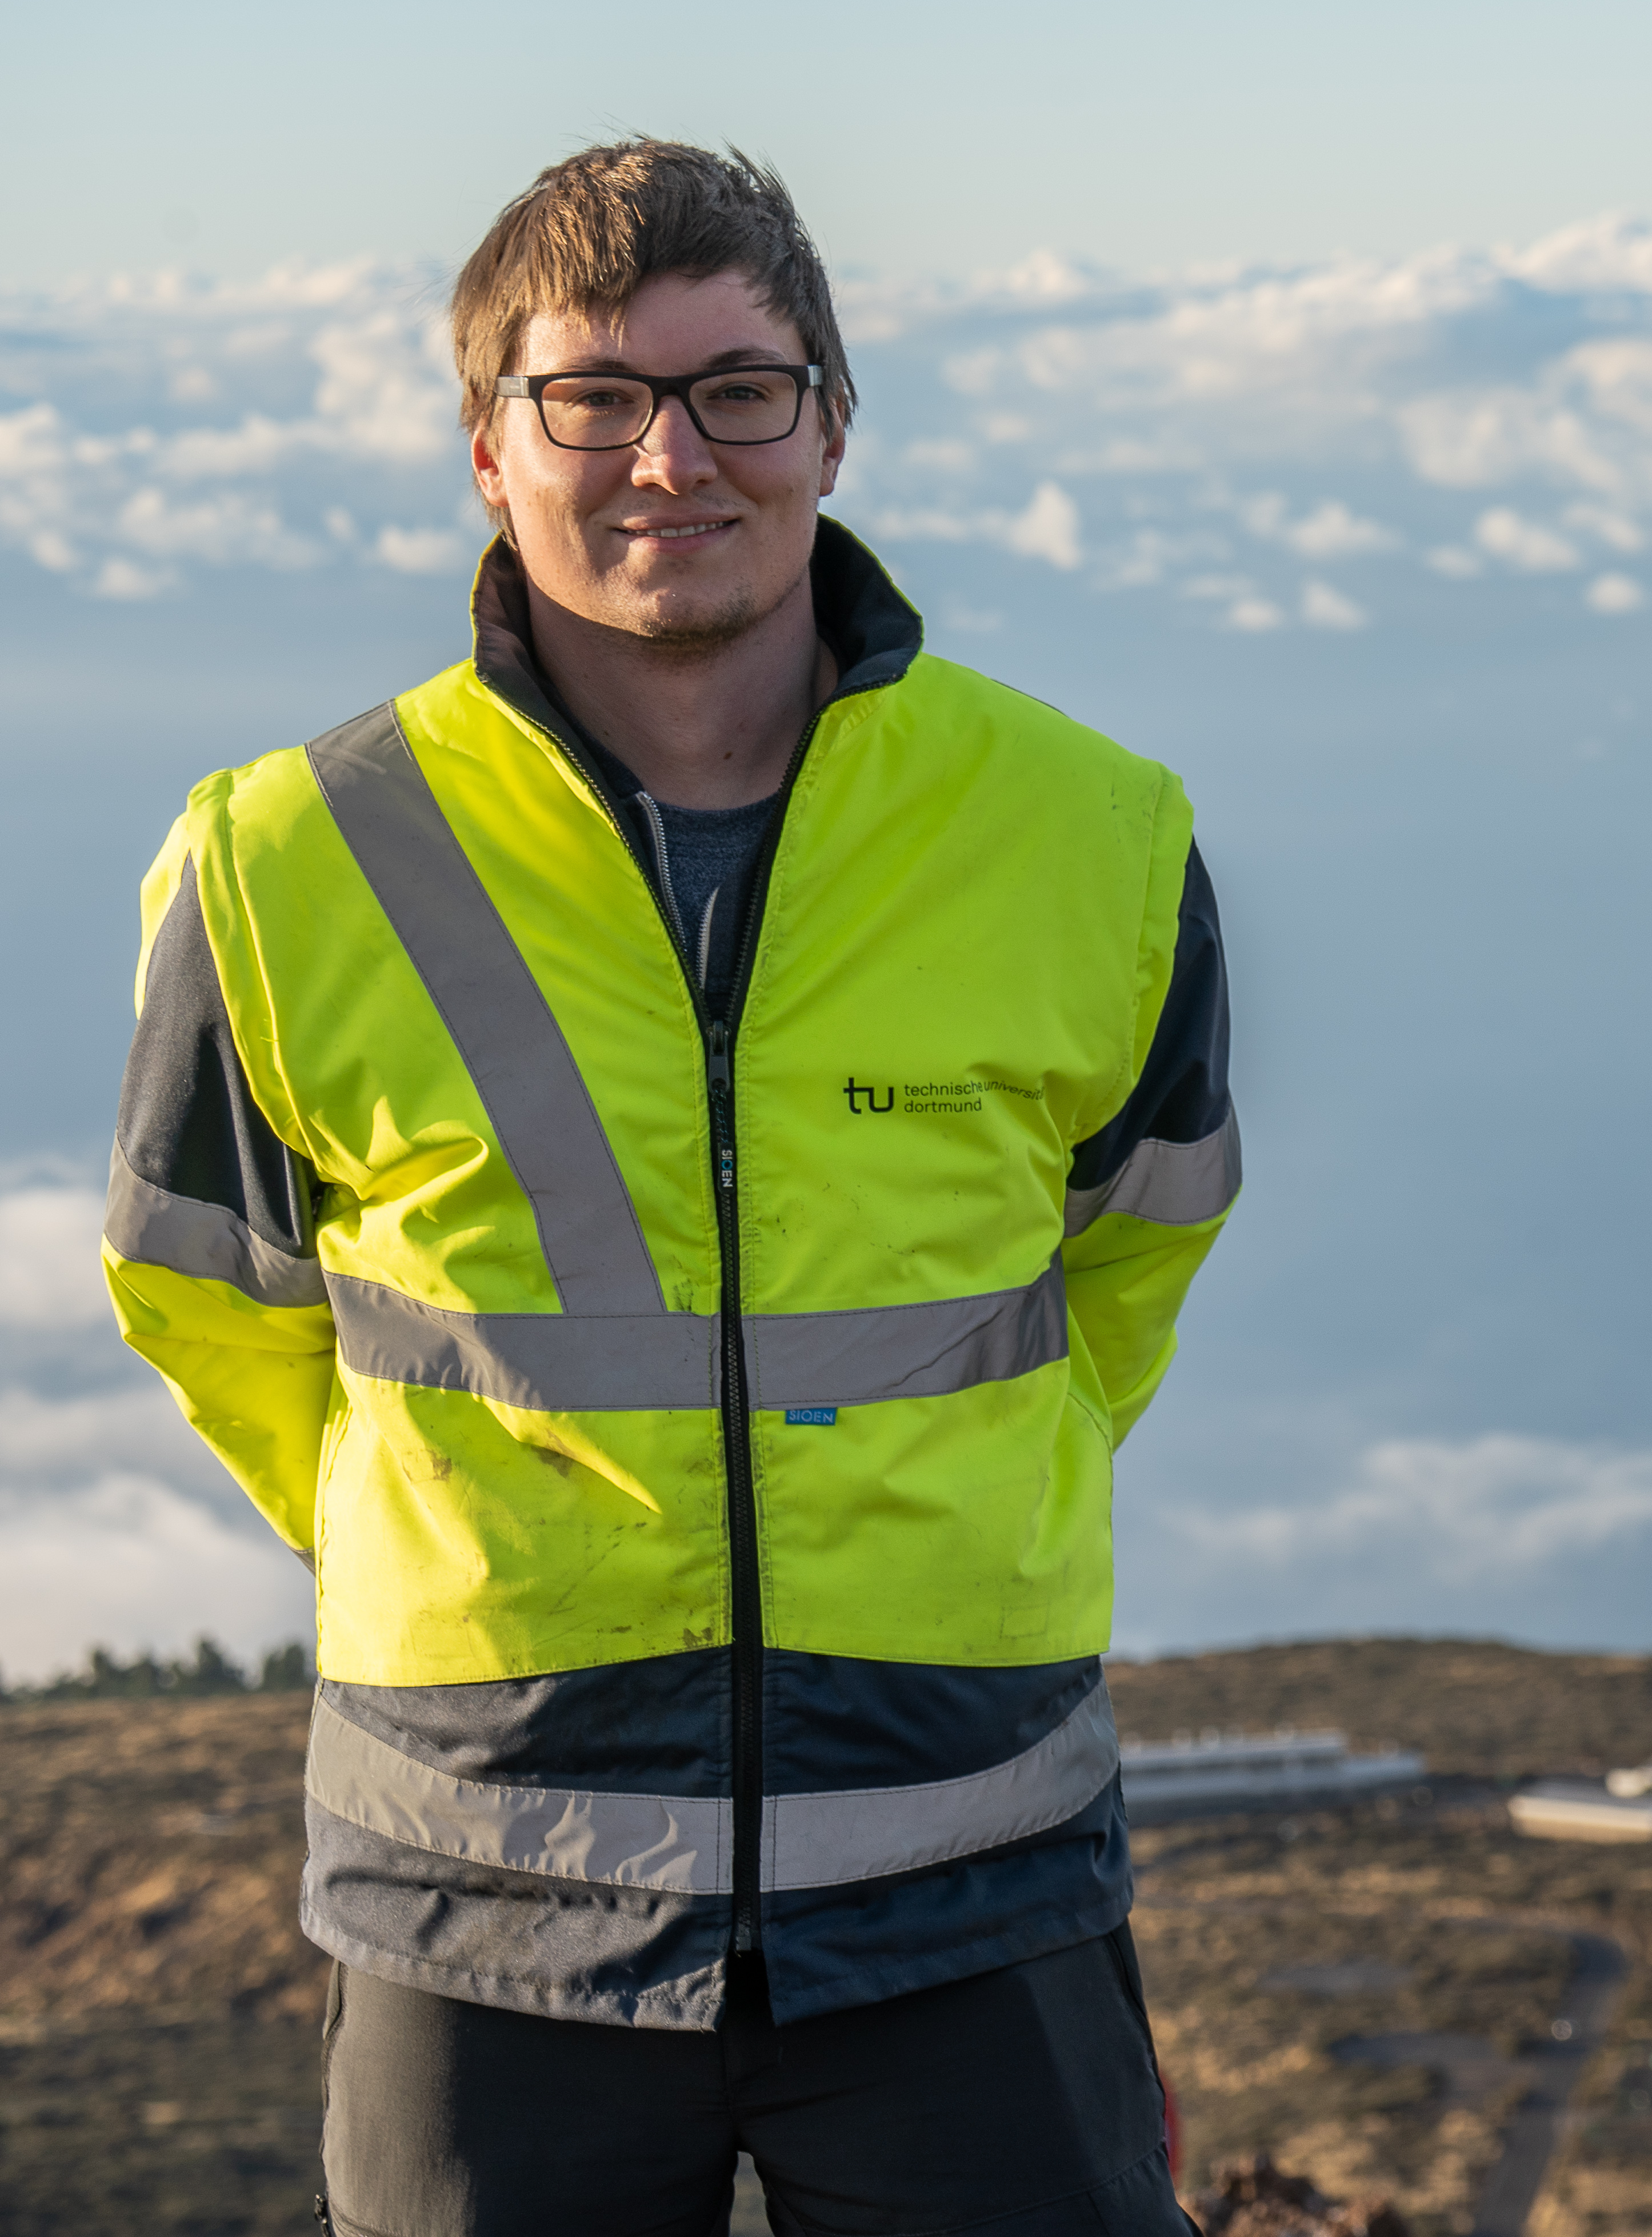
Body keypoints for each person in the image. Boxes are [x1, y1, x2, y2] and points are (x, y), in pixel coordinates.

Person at [100, 140, 1234, 2236]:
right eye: (591, 396)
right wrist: (441, 1544)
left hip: (969, 1881)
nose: (666, 457)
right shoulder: (281, 859)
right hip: (480, 1904)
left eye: (738, 389)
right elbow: (211, 1300)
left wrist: (962, 1505)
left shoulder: (1092, 831)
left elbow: (1134, 1245)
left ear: (830, 422)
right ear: (486, 445)